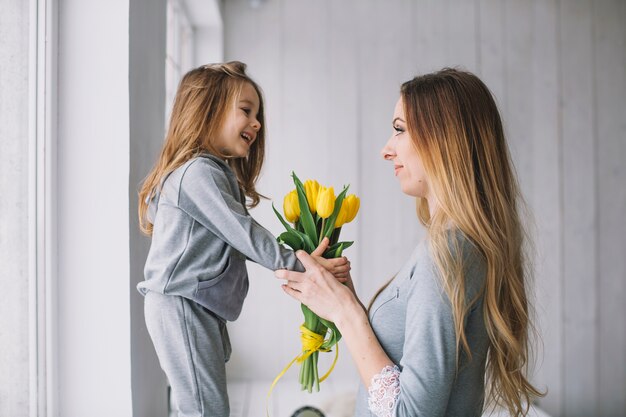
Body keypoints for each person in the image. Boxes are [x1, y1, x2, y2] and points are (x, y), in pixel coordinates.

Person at [276, 68, 544, 417]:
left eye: (399, 129)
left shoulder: (449, 253)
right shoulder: (456, 245)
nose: (387, 149)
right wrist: (342, 296)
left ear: (444, 139)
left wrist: (346, 313)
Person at [136, 61, 350, 417]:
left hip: (194, 303)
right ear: (208, 110)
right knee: (206, 409)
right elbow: (244, 233)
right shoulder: (197, 173)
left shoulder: (206, 172)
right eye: (246, 111)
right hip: (181, 303)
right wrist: (304, 265)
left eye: (257, 114)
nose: (257, 123)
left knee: (202, 404)